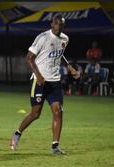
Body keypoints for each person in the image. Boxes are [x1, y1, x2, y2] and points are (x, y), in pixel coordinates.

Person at [10, 15, 79, 155]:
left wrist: (70, 68)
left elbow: (60, 54)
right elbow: (29, 58)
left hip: (55, 81)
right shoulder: (43, 38)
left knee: (58, 111)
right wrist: (39, 75)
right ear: (52, 23)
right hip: (39, 80)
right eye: (57, 24)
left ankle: (55, 147)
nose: (59, 27)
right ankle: (17, 134)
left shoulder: (65, 39)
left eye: (62, 25)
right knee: (35, 114)